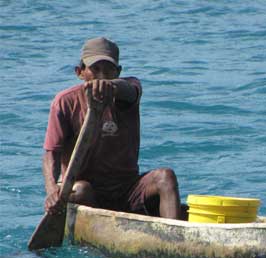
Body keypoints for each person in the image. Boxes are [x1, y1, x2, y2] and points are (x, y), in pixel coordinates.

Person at [43, 37, 183, 219]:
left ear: (118, 72)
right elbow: (51, 153)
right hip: (89, 194)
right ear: (80, 72)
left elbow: (128, 90)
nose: (102, 76)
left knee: (166, 177)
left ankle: (173, 237)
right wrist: (52, 190)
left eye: (109, 69)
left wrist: (111, 87)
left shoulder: (129, 90)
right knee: (81, 189)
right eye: (95, 69)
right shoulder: (64, 102)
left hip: (127, 190)